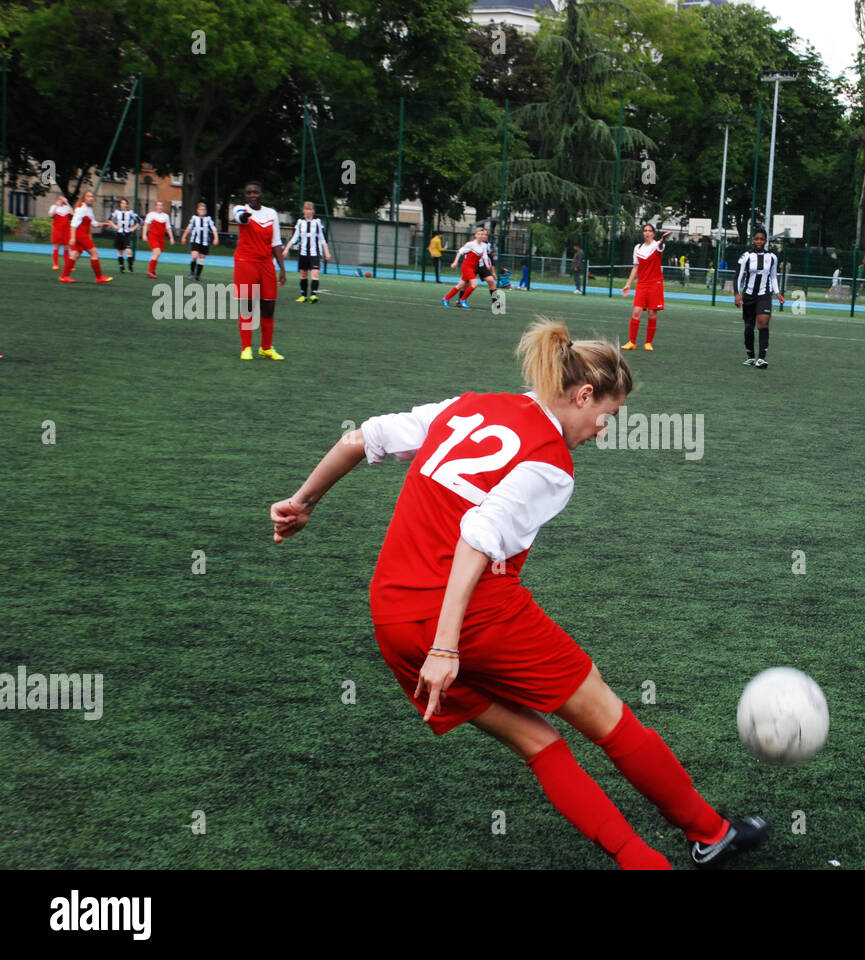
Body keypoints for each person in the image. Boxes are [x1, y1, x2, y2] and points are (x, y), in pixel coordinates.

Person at [268, 319, 770, 869]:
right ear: (582, 395)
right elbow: (476, 541)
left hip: (393, 618)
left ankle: (643, 861)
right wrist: (446, 645)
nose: (605, 429)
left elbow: (359, 439)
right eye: (609, 415)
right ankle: (710, 832)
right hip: (471, 621)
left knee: (537, 743)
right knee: (610, 720)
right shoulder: (552, 463)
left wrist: (303, 502)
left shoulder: (468, 406)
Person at [231, 181, 288, 360]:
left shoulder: (271, 214)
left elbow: (276, 242)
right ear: (245, 196)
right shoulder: (240, 210)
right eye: (248, 193)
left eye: (255, 192)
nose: (252, 195)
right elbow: (241, 217)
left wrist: (282, 268)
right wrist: (245, 216)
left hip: (266, 264)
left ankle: (266, 348)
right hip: (245, 262)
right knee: (247, 306)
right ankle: (246, 347)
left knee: (269, 306)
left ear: (261, 194)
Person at [734, 227, 785, 369]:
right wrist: (737, 294)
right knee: (749, 327)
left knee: (763, 322)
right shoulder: (746, 256)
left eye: (761, 239)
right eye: (756, 239)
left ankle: (761, 358)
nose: (759, 241)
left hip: (764, 295)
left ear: (766, 241)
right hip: (749, 295)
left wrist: (778, 292)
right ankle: (750, 356)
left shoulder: (772, 257)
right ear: (753, 240)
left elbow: (773, 276)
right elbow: (737, 276)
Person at [621, 223, 674, 351]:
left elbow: (661, 245)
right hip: (642, 284)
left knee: (651, 314)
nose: (647, 233)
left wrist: (662, 239)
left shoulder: (658, 245)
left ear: (653, 234)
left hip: (655, 284)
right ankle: (632, 342)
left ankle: (648, 343)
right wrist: (628, 284)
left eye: (650, 230)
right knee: (636, 312)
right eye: (645, 230)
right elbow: (635, 267)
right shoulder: (638, 247)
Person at [58, 190, 113, 284]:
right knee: (94, 253)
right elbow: (74, 224)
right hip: (80, 235)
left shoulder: (89, 209)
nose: (91, 198)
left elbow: (94, 223)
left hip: (81, 235)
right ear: (84, 198)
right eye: (88, 196)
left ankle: (64, 276)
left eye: (92, 196)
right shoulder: (81, 208)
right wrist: (72, 238)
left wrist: (104, 224)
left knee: (75, 255)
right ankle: (99, 277)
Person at [442, 226, 498, 310]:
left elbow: (485, 256)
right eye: (479, 234)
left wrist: (487, 265)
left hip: (474, 267)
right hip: (467, 266)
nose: (481, 236)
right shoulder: (470, 244)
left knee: (460, 285)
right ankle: (462, 300)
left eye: (482, 234)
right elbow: (460, 252)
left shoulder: (484, 245)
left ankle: (446, 298)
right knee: (474, 284)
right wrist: (455, 262)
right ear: (475, 235)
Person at [285, 201, 331, 304]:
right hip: (303, 253)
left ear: (313, 211)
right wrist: (286, 249)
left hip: (315, 253)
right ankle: (303, 296)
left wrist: (327, 252)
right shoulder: (300, 222)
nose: (308, 211)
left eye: (310, 209)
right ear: (303, 210)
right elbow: (294, 237)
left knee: (315, 273)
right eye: (306, 209)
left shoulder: (317, 222)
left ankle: (313, 295)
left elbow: (323, 239)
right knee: (303, 274)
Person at [181, 202, 219, 279]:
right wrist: (183, 237)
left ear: (205, 211)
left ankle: (198, 275)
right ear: (197, 210)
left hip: (205, 242)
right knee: (194, 256)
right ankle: (192, 272)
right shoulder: (194, 218)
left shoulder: (208, 219)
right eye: (200, 209)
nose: (202, 211)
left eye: (204, 209)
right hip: (195, 241)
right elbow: (189, 228)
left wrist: (216, 238)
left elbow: (214, 229)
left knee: (201, 258)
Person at [141, 200, 175, 279]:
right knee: (157, 253)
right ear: (156, 206)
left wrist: (171, 238)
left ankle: (152, 270)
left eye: (161, 205)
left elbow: (168, 228)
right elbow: (145, 225)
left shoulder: (166, 216)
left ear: (163, 207)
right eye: (158, 205)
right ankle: (150, 271)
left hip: (161, 238)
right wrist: (144, 235)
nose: (160, 207)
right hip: (153, 236)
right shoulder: (151, 215)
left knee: (155, 255)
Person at [109, 199, 141, 273]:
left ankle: (130, 265)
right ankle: (121, 266)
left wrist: (133, 228)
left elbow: (139, 221)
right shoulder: (117, 212)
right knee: (120, 251)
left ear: (127, 205)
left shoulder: (130, 213)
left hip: (127, 234)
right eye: (122, 203)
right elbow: (109, 219)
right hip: (119, 233)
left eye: (125, 203)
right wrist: (115, 226)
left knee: (128, 251)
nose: (123, 205)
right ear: (120, 204)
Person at [49, 195, 73, 271]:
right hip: (57, 229)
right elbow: (50, 215)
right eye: (60, 199)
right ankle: (56, 264)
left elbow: (73, 213)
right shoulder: (53, 207)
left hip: (66, 230)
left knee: (67, 248)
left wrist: (67, 202)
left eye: (62, 199)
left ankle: (67, 265)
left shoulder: (66, 208)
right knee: (56, 247)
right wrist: (56, 206)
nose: (61, 200)